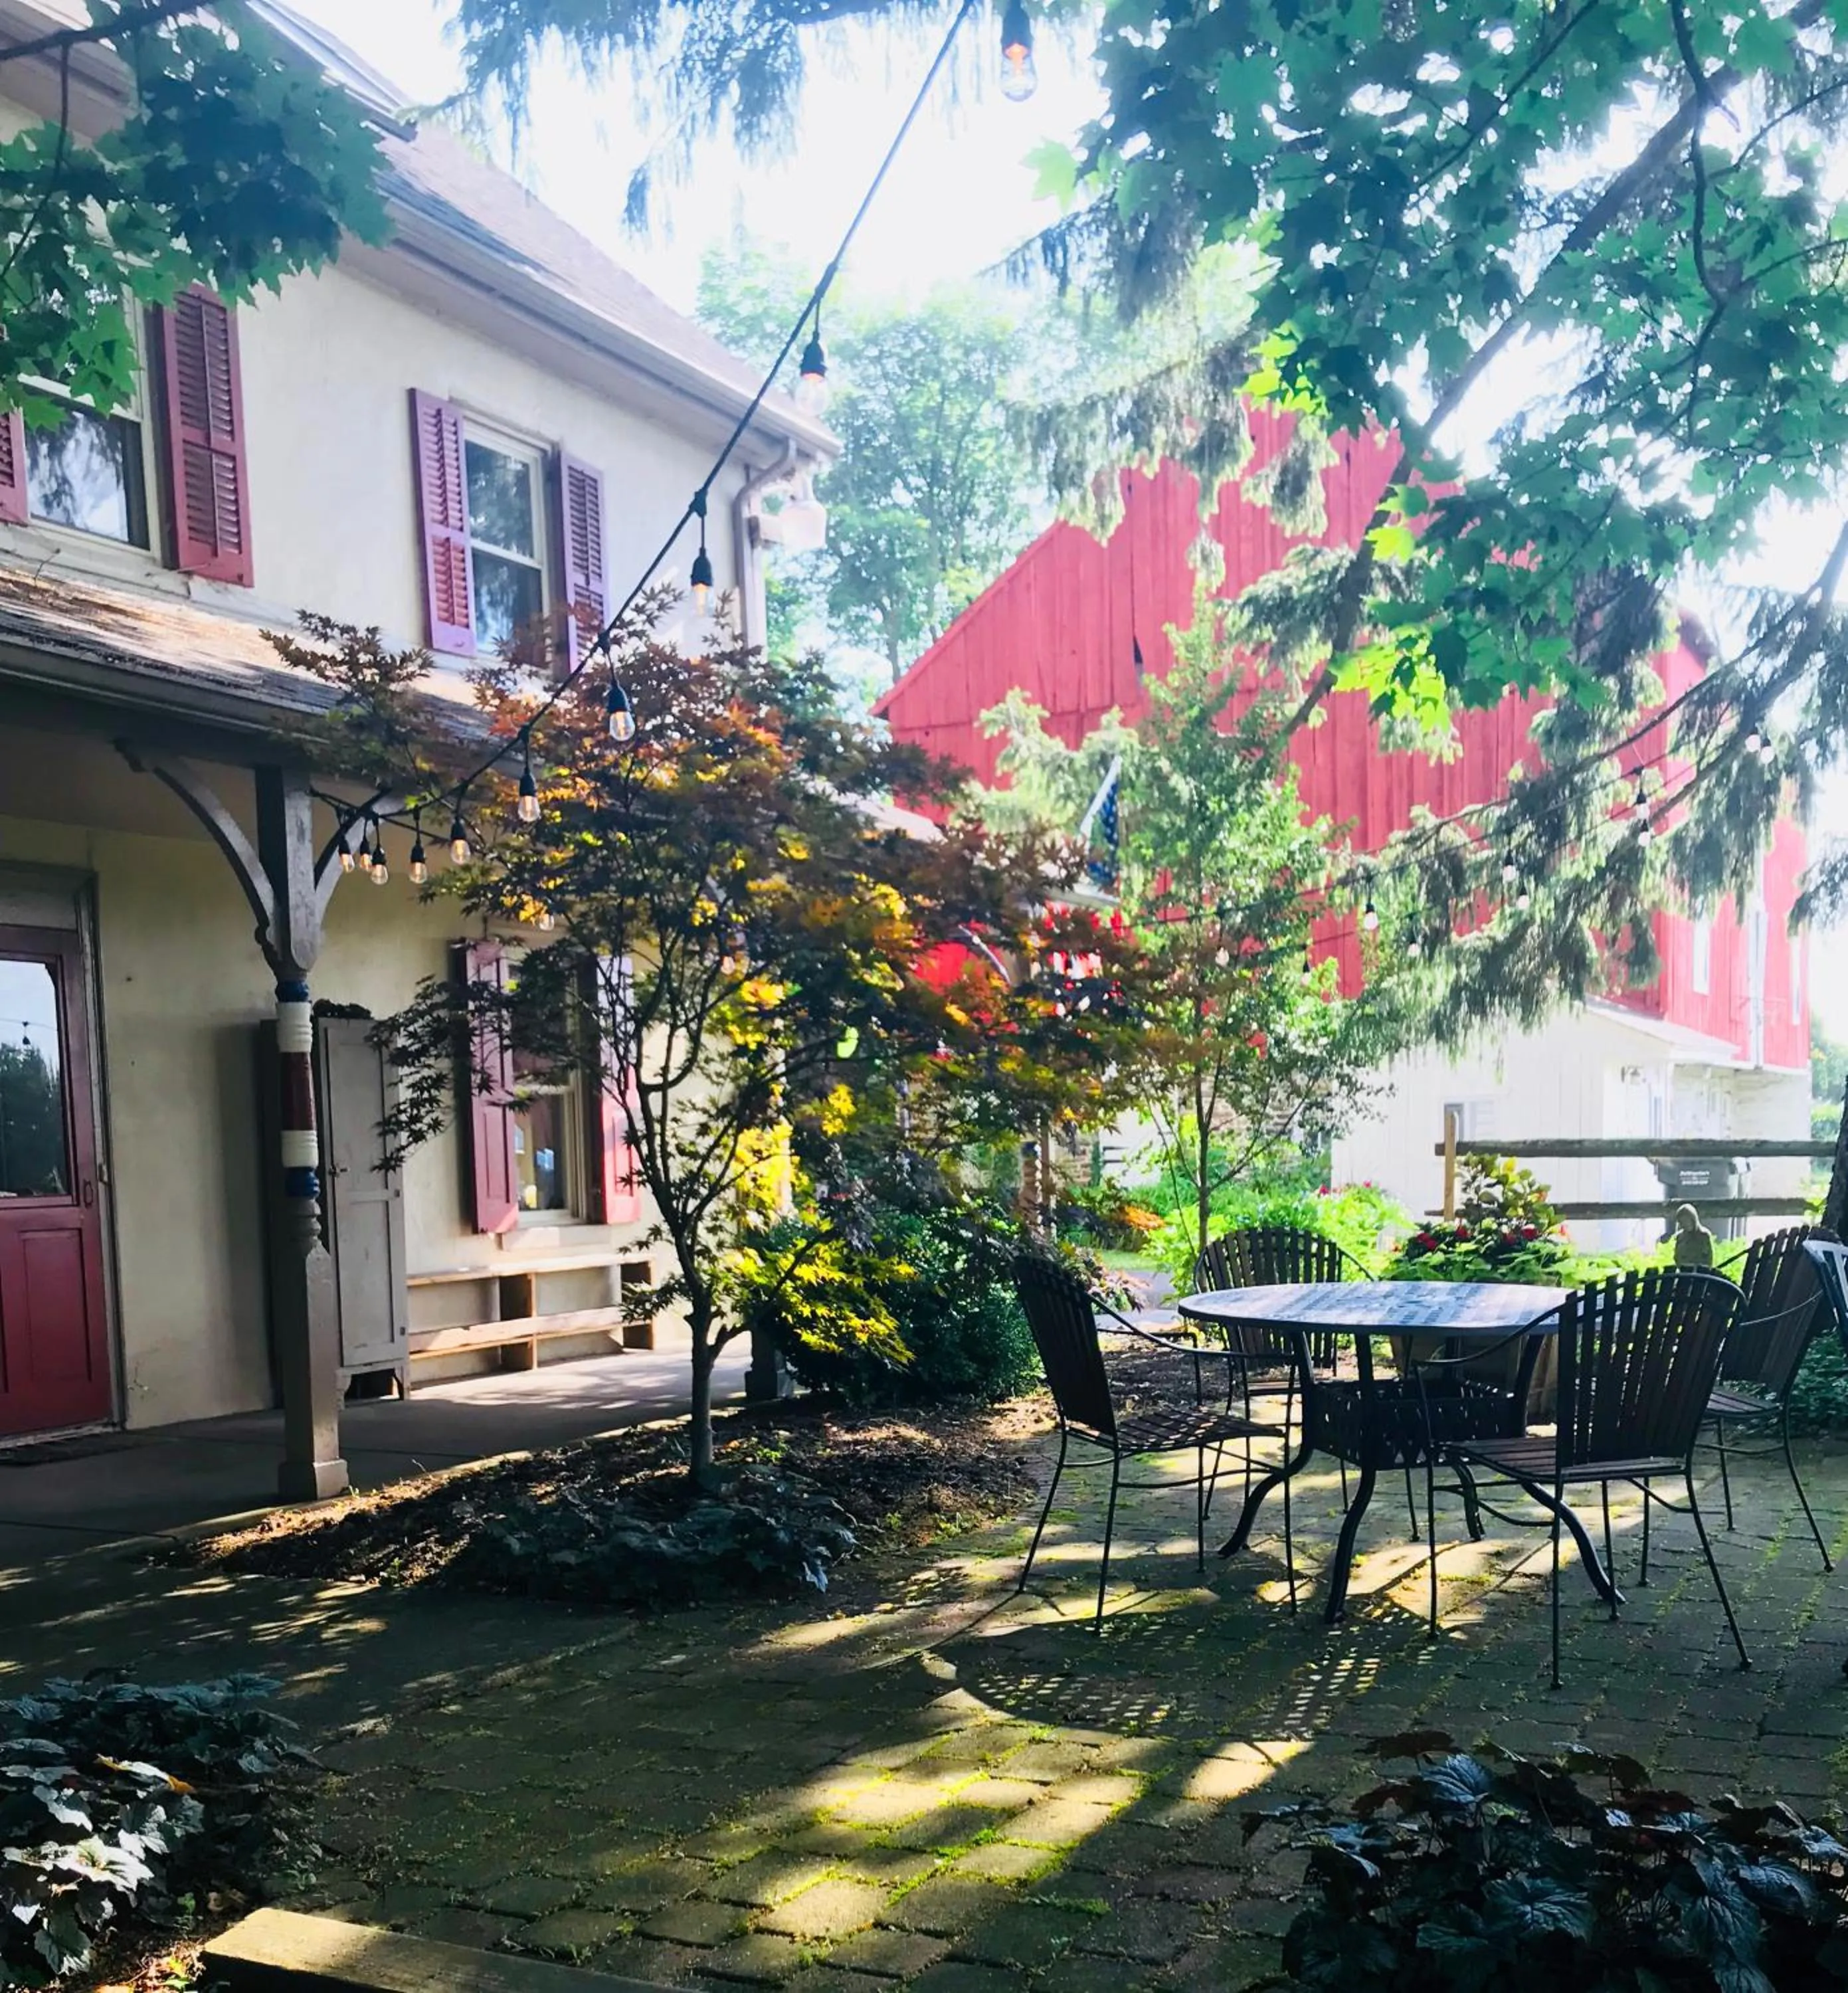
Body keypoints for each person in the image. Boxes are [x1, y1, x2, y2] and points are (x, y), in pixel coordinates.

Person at [1671, 1202, 1716, 1268]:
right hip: (1684, 1271)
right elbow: (1677, 1258)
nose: (1684, 1224)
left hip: (1701, 1272)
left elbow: (1710, 1260)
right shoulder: (1680, 1237)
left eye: (1686, 1221)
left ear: (1693, 1219)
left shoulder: (1704, 1235)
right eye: (1681, 1222)